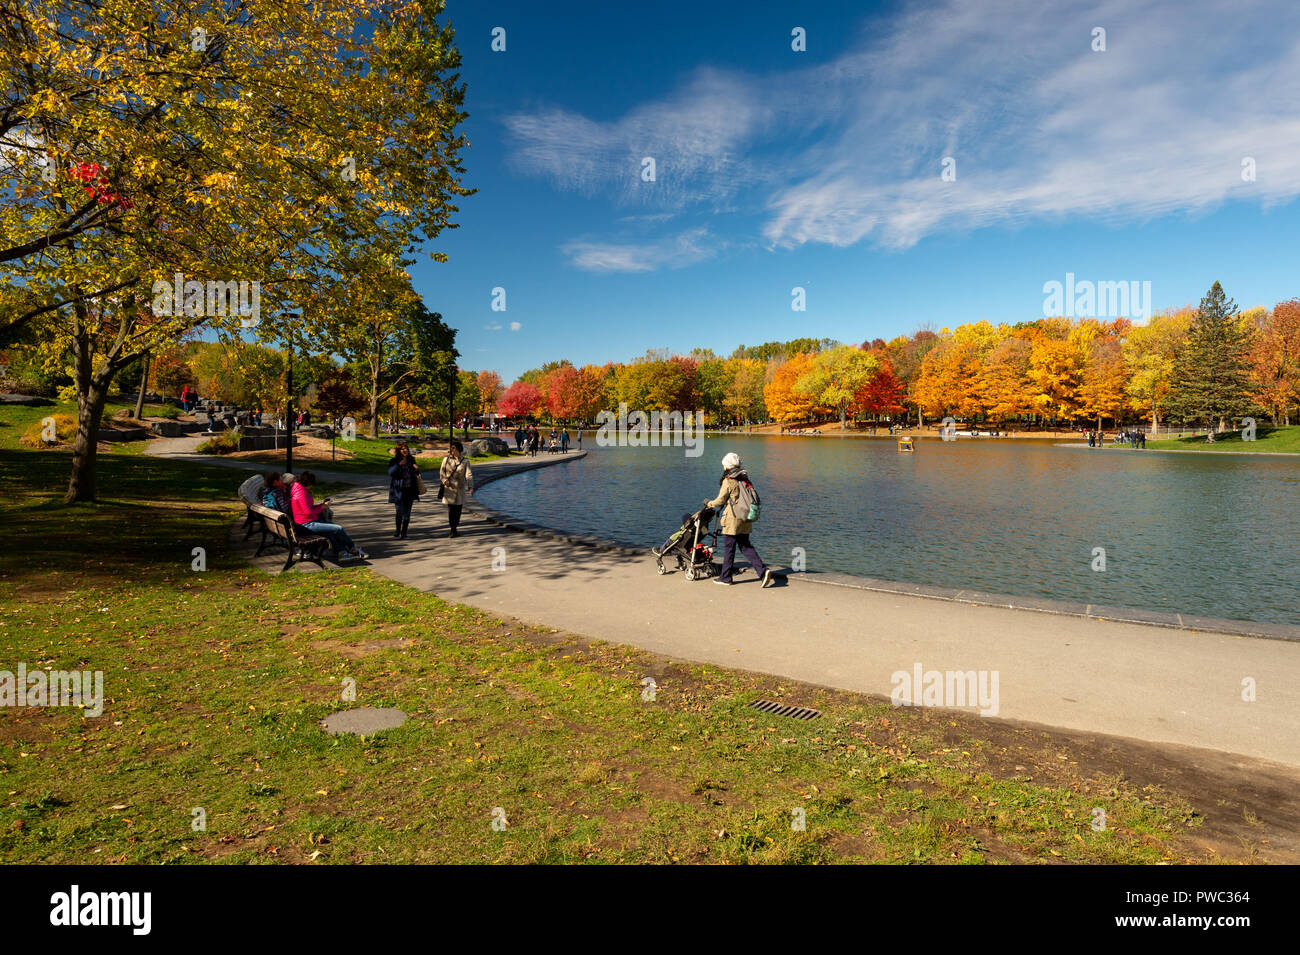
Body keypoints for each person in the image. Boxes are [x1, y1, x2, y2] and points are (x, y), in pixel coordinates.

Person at [704, 452, 774, 588]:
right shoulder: (745, 478)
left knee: (729, 549)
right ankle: (763, 571)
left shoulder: (729, 480)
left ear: (727, 466)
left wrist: (709, 503)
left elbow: (720, 500)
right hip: (746, 518)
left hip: (733, 519)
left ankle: (726, 578)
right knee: (746, 546)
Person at [291, 470, 366, 561]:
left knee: (330, 531)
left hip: (305, 523)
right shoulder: (301, 494)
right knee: (338, 528)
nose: (312, 486)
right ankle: (353, 548)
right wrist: (323, 507)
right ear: (308, 483)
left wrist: (320, 505)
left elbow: (307, 508)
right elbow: (307, 512)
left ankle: (342, 553)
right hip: (306, 525)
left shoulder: (299, 490)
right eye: (311, 484)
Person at [438, 440, 473, 538]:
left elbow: (469, 475)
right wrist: (445, 481)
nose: (451, 450)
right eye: (451, 448)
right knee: (451, 510)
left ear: (459, 449)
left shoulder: (465, 461)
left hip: (460, 489)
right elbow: (442, 473)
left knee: (458, 510)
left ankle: (455, 526)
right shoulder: (446, 460)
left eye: (454, 448)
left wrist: (470, 486)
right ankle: (452, 529)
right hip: (449, 488)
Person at [387, 441, 421, 539]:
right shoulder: (394, 460)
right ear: (399, 451)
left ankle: (404, 532)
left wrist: (417, 469)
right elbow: (390, 473)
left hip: (410, 490)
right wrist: (399, 465)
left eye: (406, 448)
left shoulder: (411, 459)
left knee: (407, 513)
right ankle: (398, 530)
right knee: (399, 512)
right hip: (399, 490)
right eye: (403, 449)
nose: (405, 450)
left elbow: (416, 473)